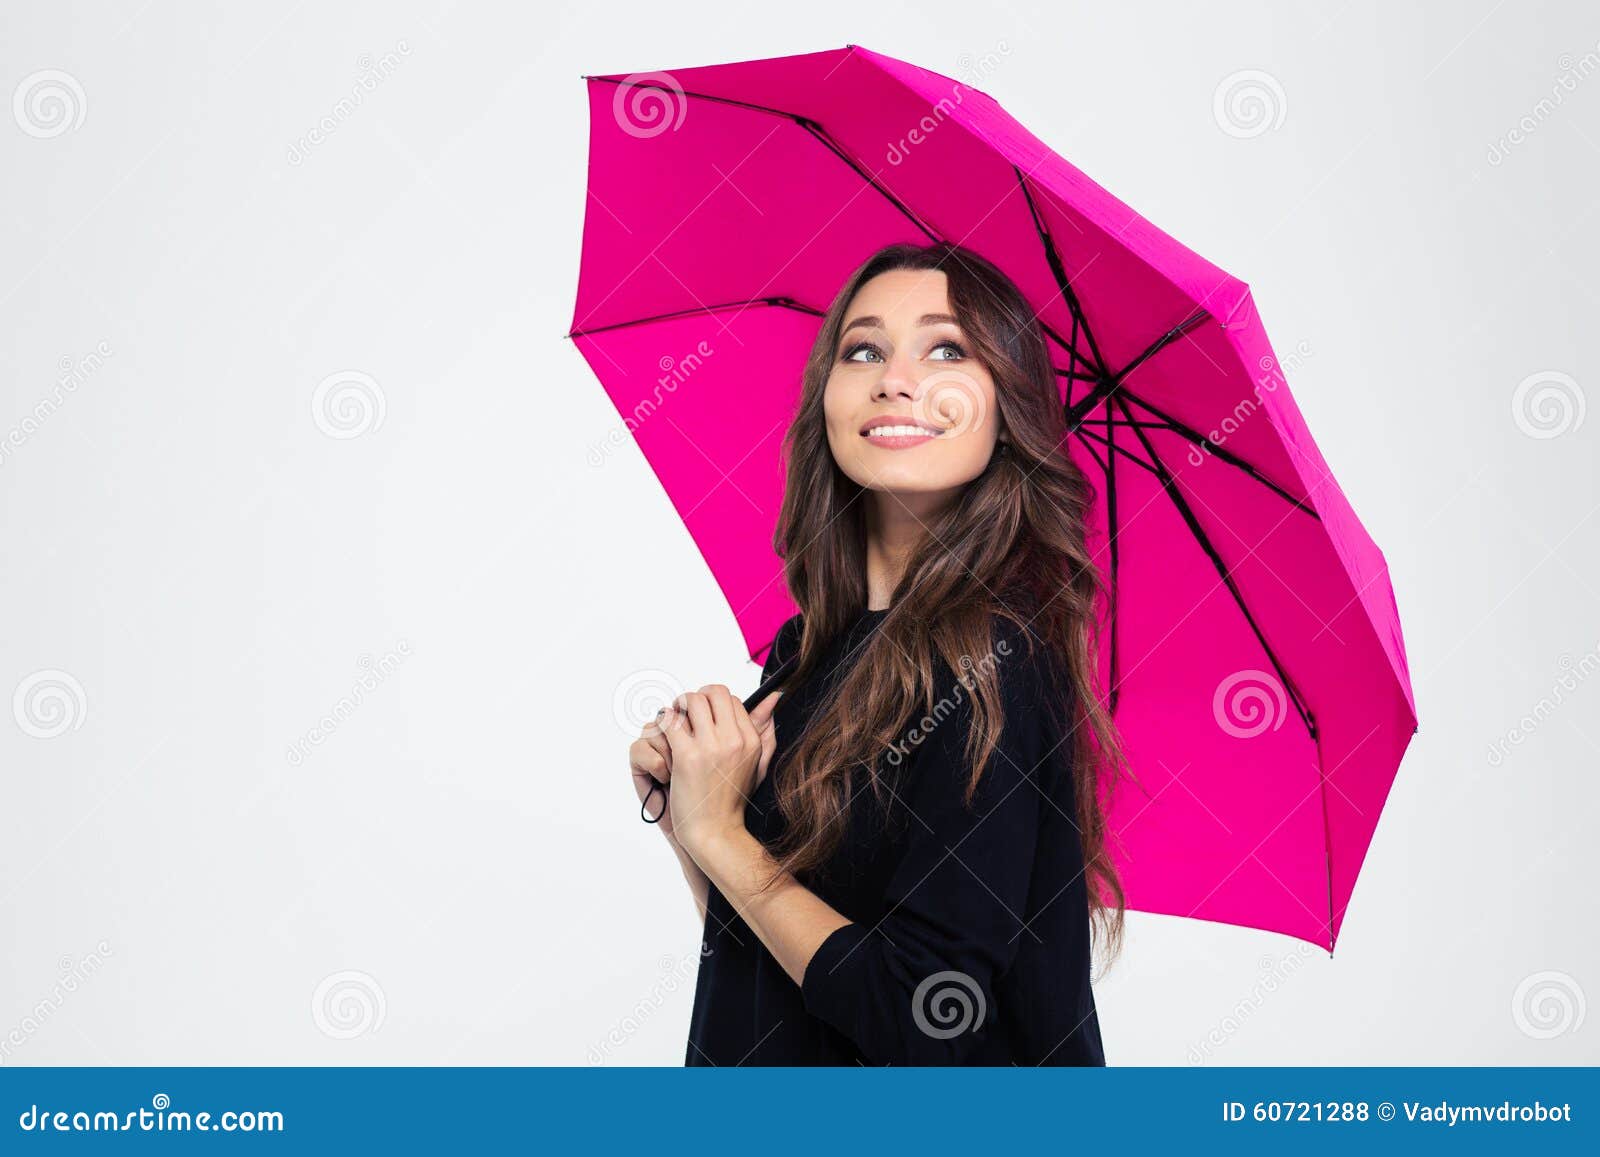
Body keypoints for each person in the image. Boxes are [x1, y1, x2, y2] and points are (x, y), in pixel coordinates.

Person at [627, 241, 1127, 1065]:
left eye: (946, 349)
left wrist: (723, 836)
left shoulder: (996, 659)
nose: (895, 378)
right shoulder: (805, 649)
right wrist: (692, 814)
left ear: (1008, 412)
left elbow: (927, 1018)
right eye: (863, 349)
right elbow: (777, 962)